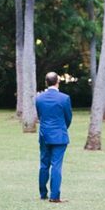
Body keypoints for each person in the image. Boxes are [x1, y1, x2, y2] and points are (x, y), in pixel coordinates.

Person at [35, 72, 73, 203]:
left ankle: (43, 194)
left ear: (46, 82)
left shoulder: (39, 98)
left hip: (44, 135)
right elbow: (68, 117)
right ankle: (54, 196)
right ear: (58, 81)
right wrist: (62, 128)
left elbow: (40, 116)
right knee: (56, 165)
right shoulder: (64, 98)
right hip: (59, 136)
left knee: (44, 164)